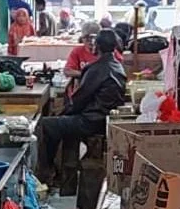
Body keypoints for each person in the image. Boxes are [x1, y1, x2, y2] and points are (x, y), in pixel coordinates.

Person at [36, 28, 125, 185]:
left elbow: (78, 101)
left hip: (92, 121)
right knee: (60, 122)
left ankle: (45, 173)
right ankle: (61, 177)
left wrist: (63, 114)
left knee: (45, 125)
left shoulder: (96, 69)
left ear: (96, 46)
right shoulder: (117, 66)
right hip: (104, 118)